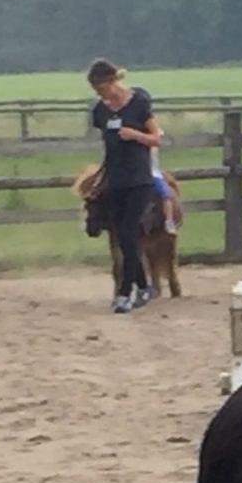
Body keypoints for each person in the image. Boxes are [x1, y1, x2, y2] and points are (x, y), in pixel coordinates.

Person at [87, 60, 161, 311]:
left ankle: (124, 294)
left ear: (112, 82)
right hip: (115, 180)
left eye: (102, 88)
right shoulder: (100, 111)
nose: (101, 94)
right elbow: (108, 148)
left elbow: (156, 138)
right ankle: (143, 286)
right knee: (122, 237)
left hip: (138, 179)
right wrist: (101, 177)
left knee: (129, 233)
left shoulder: (138, 104)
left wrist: (135, 135)